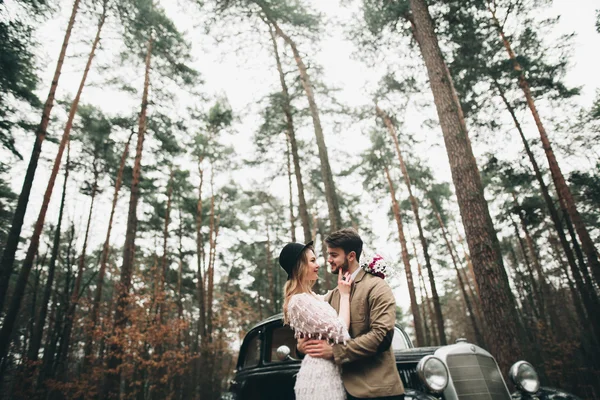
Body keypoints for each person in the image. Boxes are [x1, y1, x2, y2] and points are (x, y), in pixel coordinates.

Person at [298, 228, 405, 400]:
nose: (328, 260)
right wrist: (302, 347)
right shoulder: (332, 296)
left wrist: (336, 351)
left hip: (378, 392)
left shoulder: (377, 286)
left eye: (333, 255)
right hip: (341, 392)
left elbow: (382, 336)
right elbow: (318, 336)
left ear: (351, 256)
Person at [279, 241, 354, 400]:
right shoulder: (299, 301)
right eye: (312, 261)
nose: (318, 264)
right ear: (300, 266)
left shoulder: (312, 297)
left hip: (330, 373)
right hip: (320, 379)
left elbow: (329, 298)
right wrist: (345, 295)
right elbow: (341, 329)